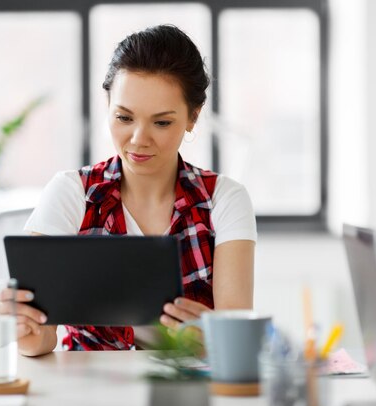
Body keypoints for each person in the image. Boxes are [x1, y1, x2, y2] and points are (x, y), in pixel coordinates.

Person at [14, 24, 257, 355]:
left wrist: (217, 338)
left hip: (182, 385)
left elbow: (237, 340)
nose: (139, 139)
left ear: (193, 117)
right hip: (88, 387)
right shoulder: (72, 193)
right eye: (124, 117)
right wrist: (23, 330)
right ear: (108, 105)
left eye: (161, 122)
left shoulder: (224, 200)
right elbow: (41, 337)